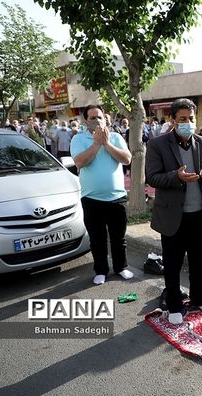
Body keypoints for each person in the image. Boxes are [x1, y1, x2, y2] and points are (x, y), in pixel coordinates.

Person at [145, 98, 202, 324]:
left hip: (199, 214)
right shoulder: (158, 145)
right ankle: (175, 304)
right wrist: (176, 176)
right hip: (173, 216)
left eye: (191, 119)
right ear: (173, 121)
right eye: (183, 119)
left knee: (200, 262)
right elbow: (152, 177)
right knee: (173, 263)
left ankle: (199, 296)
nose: (188, 123)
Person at [70, 104, 134, 285]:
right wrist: (97, 144)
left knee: (118, 237)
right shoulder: (78, 139)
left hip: (117, 198)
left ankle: (121, 267)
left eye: (100, 117)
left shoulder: (115, 137)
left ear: (106, 119)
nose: (97, 120)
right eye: (93, 118)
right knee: (97, 239)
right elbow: (80, 162)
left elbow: (126, 159)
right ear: (85, 121)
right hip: (91, 199)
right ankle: (101, 270)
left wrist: (106, 143)